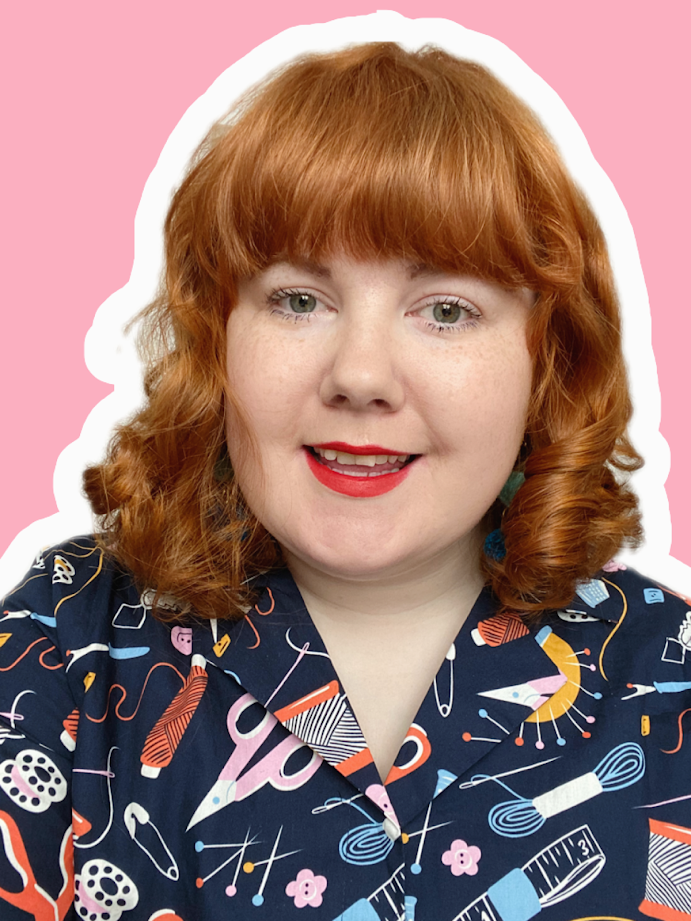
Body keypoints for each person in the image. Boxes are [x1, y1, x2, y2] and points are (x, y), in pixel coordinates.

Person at [0, 40, 689, 921]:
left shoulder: (671, 680)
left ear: (546, 364)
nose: (360, 374)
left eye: (445, 309)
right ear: (215, 340)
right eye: (297, 299)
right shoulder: (64, 645)